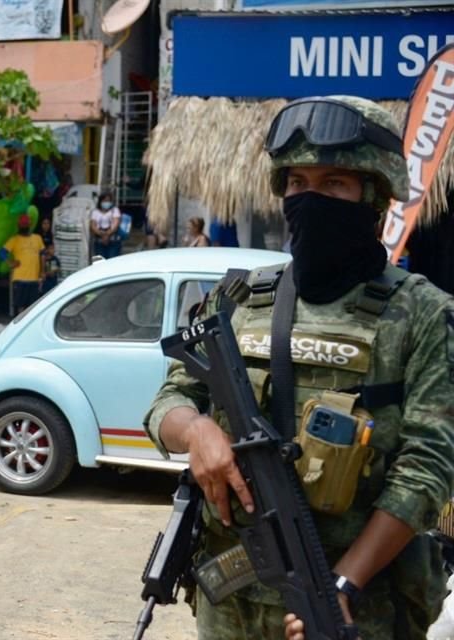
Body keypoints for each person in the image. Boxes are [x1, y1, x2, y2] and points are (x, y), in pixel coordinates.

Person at [143, 95, 454, 639]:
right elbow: (167, 402)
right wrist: (198, 431)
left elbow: (427, 471)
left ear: (375, 199)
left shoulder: (425, 314)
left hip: (356, 600)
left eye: (334, 184)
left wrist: (341, 589)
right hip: (231, 603)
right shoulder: (239, 298)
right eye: (298, 184)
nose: (310, 200)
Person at [2, 214, 45, 315]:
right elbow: (2, 252)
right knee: (20, 308)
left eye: (26, 225)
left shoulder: (37, 238)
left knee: (32, 308)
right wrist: (10, 262)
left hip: (34, 279)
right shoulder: (14, 239)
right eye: (22, 225)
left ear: (29, 225)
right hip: (19, 279)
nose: (24, 227)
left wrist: (42, 272)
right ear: (19, 226)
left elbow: (42, 255)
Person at [90, 193, 121, 259]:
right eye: (104, 201)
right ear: (100, 201)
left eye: (108, 201)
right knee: (100, 262)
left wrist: (107, 235)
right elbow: (93, 226)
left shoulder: (115, 210)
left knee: (112, 261)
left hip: (113, 241)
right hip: (99, 241)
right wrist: (102, 235)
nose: (106, 203)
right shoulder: (95, 212)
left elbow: (115, 225)